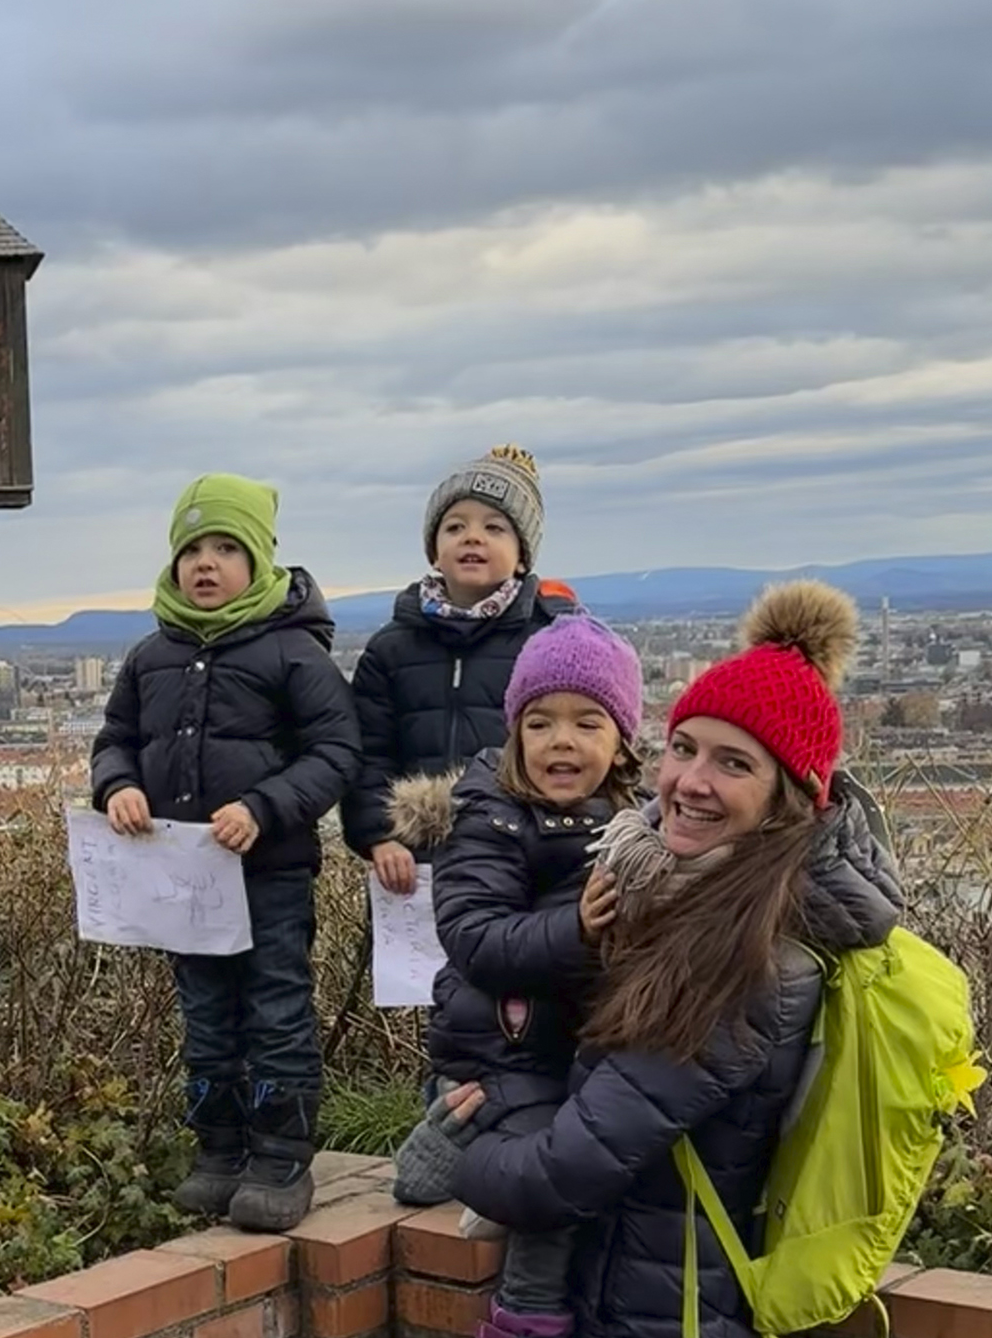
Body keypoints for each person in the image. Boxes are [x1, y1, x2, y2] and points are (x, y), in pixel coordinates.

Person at [397, 579, 905, 1338]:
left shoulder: (747, 958)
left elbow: (557, 1176)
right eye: (686, 748)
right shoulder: (681, 892)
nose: (689, 783)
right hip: (640, 1286)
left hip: (660, 1309)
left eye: (734, 764)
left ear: (790, 797)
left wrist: (450, 1146)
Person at [90, 473, 360, 1232]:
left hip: (269, 874)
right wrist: (117, 787)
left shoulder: (293, 653)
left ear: (261, 561)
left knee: (275, 1011)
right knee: (205, 1016)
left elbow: (336, 750)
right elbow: (115, 741)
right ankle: (218, 1150)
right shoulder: (151, 656)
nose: (205, 565)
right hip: (183, 878)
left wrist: (265, 808)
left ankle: (279, 1159)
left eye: (226, 549)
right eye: (192, 550)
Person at [382, 615, 647, 1324]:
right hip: (503, 1051)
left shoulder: (639, 823)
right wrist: (579, 928)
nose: (562, 740)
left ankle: (452, 1139)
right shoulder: (488, 819)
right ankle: (523, 1315)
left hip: (588, 1052)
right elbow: (476, 938)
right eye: (540, 723)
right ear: (514, 735)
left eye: (589, 722)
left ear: (623, 739)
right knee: (551, 1180)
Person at [343, 445, 576, 894]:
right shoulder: (392, 648)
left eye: (495, 528)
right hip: (412, 868)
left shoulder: (549, 644)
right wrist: (378, 836)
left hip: (521, 858)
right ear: (435, 550)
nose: (473, 537)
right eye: (455, 526)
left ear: (523, 555)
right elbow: (368, 754)